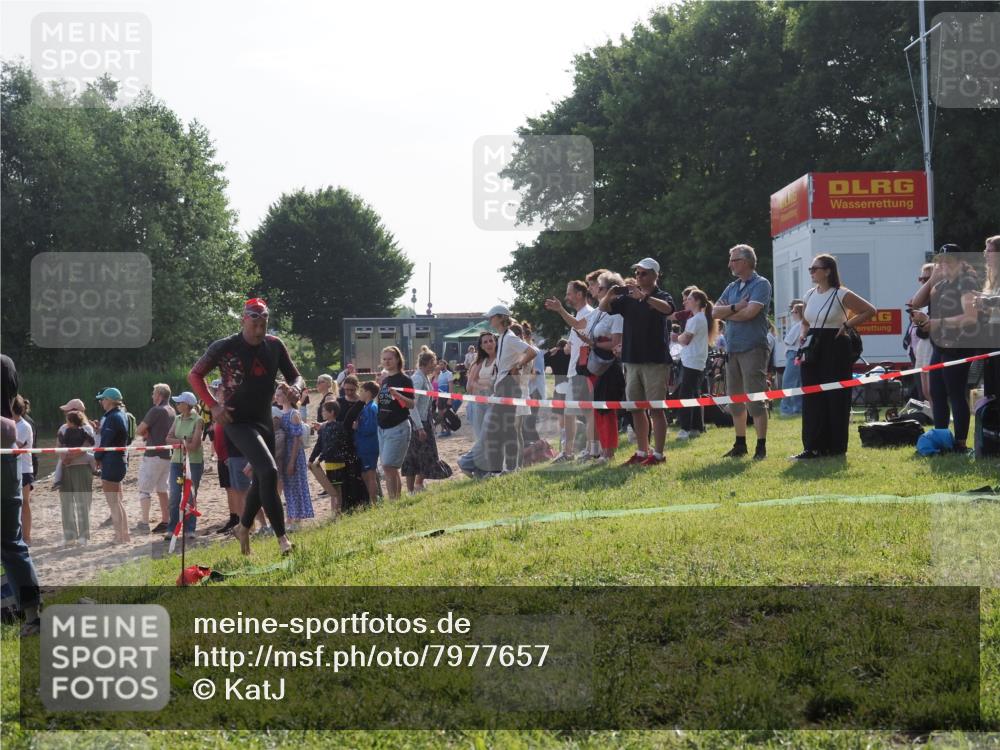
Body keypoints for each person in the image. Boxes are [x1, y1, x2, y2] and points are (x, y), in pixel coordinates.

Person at [188, 298, 305, 556]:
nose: (260, 325)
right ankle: (283, 539)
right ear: (244, 319)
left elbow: (296, 375)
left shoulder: (275, 346)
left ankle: (242, 527)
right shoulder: (225, 346)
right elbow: (195, 375)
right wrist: (212, 406)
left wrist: (296, 388)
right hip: (235, 420)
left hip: (264, 420)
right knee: (269, 471)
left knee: (262, 477)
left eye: (264, 320)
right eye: (255, 319)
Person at [793, 254, 877, 459]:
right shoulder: (809, 294)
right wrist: (804, 334)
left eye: (815, 268)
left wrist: (847, 325)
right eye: (810, 269)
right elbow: (805, 321)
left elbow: (869, 310)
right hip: (813, 346)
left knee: (835, 396)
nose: (811, 272)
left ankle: (836, 446)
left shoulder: (841, 293)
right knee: (812, 396)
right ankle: (812, 446)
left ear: (828, 270)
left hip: (835, 345)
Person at [600, 258, 675, 466]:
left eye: (643, 273)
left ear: (654, 275)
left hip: (655, 361)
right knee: (636, 408)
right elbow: (603, 308)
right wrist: (609, 294)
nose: (638, 277)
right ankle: (642, 451)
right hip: (631, 361)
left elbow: (668, 309)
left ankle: (659, 454)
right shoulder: (628, 299)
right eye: (637, 273)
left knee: (656, 409)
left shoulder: (661, 296)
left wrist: (645, 297)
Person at [909, 245, 982, 452]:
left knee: (956, 393)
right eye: (940, 261)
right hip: (939, 345)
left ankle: (960, 443)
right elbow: (916, 302)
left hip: (958, 346)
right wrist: (932, 279)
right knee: (936, 392)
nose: (943, 265)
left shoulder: (966, 282)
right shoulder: (940, 284)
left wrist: (936, 322)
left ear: (960, 262)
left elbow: (970, 317)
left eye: (948, 261)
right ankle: (941, 438)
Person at [713, 244, 773, 461]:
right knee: (736, 401)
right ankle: (740, 444)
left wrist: (729, 312)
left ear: (746, 262)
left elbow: (751, 314)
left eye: (733, 260)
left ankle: (761, 447)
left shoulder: (761, 284)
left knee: (755, 401)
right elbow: (713, 311)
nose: (730, 264)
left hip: (752, 349)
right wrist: (736, 307)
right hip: (733, 350)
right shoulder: (732, 287)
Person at [1, 354, 41, 635]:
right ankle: (32, 616)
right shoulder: (6, 362)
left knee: (12, 545)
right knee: (13, 544)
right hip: (8, 462)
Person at [475, 305, 539, 476]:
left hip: (509, 387)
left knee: (504, 430)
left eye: (492, 317)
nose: (489, 320)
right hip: (504, 386)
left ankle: (508, 469)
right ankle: (504, 468)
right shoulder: (502, 337)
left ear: (501, 318)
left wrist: (518, 365)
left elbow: (533, 351)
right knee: (503, 430)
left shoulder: (509, 337)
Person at [545, 280, 596, 461]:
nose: (566, 297)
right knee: (569, 413)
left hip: (583, 371)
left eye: (569, 293)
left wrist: (560, 309)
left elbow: (578, 325)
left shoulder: (589, 312)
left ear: (580, 294)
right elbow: (571, 346)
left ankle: (591, 450)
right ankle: (568, 452)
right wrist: (567, 347)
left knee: (589, 412)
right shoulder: (579, 314)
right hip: (574, 371)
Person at [581, 271, 626, 462]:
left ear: (610, 291)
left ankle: (609, 451)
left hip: (608, 365)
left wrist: (593, 344)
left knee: (607, 410)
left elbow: (616, 343)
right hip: (596, 365)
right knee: (598, 409)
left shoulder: (617, 314)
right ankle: (601, 448)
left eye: (599, 287)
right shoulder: (598, 312)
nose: (595, 290)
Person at [402, 350, 450, 493]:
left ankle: (418, 484)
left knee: (428, 455)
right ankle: (411, 490)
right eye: (433, 363)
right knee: (413, 457)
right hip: (417, 422)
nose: (435, 366)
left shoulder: (425, 377)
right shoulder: (417, 378)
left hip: (425, 421)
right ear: (428, 363)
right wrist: (419, 427)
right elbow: (412, 405)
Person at [673, 290, 718, 439]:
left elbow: (685, 340)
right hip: (696, 361)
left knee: (686, 395)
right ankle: (696, 427)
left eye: (689, 299)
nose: (685, 301)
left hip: (691, 361)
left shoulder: (695, 319)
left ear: (697, 301)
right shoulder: (701, 318)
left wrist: (675, 337)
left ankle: (685, 428)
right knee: (694, 393)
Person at [163, 391, 203, 542]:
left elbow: (194, 446)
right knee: (174, 494)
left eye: (179, 403)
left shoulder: (198, 420)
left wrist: (179, 441)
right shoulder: (178, 418)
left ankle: (190, 529)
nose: (177, 405)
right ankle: (172, 528)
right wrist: (184, 440)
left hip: (193, 462)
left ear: (187, 405)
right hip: (176, 461)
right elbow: (167, 438)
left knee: (190, 496)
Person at [376, 346, 415, 500]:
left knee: (388, 466)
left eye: (390, 358)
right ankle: (396, 500)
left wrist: (398, 395)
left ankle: (394, 500)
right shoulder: (385, 380)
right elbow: (381, 402)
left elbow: (411, 404)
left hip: (398, 427)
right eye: (384, 359)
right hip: (382, 428)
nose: (386, 361)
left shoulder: (404, 380)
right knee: (390, 468)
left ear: (398, 359)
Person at [135, 383, 174, 534]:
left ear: (159, 395)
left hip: (153, 455)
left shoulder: (156, 410)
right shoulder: (172, 411)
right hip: (167, 455)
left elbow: (139, 430)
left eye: (153, 393)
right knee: (162, 490)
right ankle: (166, 520)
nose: (152, 396)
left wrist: (146, 432)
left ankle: (144, 522)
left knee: (144, 489)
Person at [95, 387, 131, 544]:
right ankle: (125, 534)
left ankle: (119, 536)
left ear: (109, 400)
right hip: (119, 460)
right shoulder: (121, 414)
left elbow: (106, 442)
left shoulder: (112, 417)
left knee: (113, 502)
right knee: (117, 501)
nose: (101, 402)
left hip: (112, 461)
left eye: (102, 399)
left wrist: (97, 457)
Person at [276, 383, 314, 525]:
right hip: (285, 454)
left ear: (286, 396)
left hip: (294, 455)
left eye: (279, 395)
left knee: (296, 486)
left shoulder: (294, 414)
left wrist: (292, 461)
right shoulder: (282, 413)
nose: (277, 397)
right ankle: (291, 517)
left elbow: (297, 440)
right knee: (288, 487)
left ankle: (296, 519)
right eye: (276, 395)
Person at [56, 409, 95, 546]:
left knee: (81, 502)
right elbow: (59, 445)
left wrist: (71, 457)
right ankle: (69, 536)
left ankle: (83, 536)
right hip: (66, 468)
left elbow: (86, 446)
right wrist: (64, 459)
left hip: (81, 467)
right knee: (66, 503)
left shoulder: (87, 429)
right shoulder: (63, 428)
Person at [309, 400, 349, 516]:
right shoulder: (324, 427)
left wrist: (320, 459)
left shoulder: (338, 427)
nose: (322, 413)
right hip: (329, 463)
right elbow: (319, 444)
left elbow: (332, 445)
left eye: (324, 411)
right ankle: (334, 512)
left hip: (338, 462)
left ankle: (338, 512)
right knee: (332, 488)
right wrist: (311, 459)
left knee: (337, 488)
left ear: (331, 412)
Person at [973, 235, 1000, 403]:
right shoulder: (992, 277)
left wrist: (986, 300)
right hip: (992, 333)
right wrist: (982, 301)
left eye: (989, 251)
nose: (985, 254)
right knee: (992, 384)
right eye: (985, 251)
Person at [11, 397, 34, 544]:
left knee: (24, 502)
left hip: (24, 469)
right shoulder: (10, 424)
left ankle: (27, 537)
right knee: (12, 503)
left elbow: (17, 447)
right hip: (11, 468)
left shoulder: (24, 426)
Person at [355, 380, 381, 502]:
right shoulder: (366, 407)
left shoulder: (372, 408)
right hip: (363, 446)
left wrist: (357, 427)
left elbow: (371, 428)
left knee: (370, 475)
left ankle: (374, 502)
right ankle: (372, 501)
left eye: (362, 391)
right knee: (365, 475)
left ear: (368, 393)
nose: (360, 393)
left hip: (369, 446)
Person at [780, 302, 805, 416]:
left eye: (794, 312)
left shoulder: (798, 325)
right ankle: (798, 408)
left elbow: (787, 341)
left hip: (793, 354)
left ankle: (786, 409)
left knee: (788, 382)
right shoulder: (802, 324)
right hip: (798, 354)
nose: (792, 314)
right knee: (798, 383)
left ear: (799, 313)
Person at [436, 360, 454, 438]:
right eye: (439, 365)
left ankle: (448, 430)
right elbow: (438, 387)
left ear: (445, 365)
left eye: (442, 365)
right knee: (440, 414)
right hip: (440, 397)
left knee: (445, 414)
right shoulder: (439, 374)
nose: (440, 366)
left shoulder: (449, 374)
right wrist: (437, 399)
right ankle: (443, 429)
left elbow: (451, 386)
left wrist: (450, 398)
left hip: (446, 397)